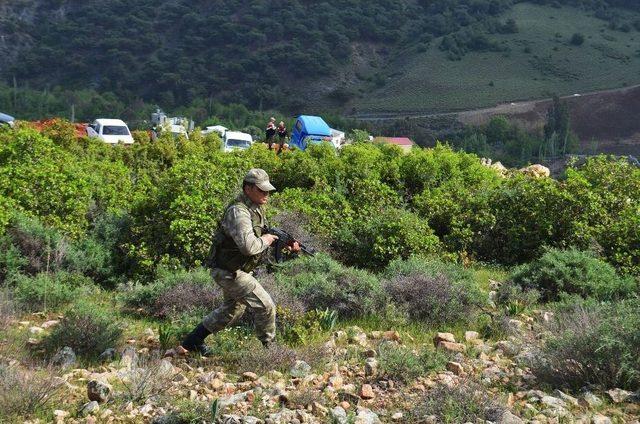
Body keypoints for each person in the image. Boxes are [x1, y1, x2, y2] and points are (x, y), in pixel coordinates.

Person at [178, 169, 299, 355]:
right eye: (262, 190)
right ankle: (271, 352)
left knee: (231, 311)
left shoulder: (256, 207)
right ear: (248, 188)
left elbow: (258, 239)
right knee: (265, 306)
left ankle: (191, 342)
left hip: (235, 269)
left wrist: (283, 245)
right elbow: (249, 247)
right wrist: (266, 240)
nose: (266, 194)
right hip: (230, 271)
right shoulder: (239, 212)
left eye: (267, 190)